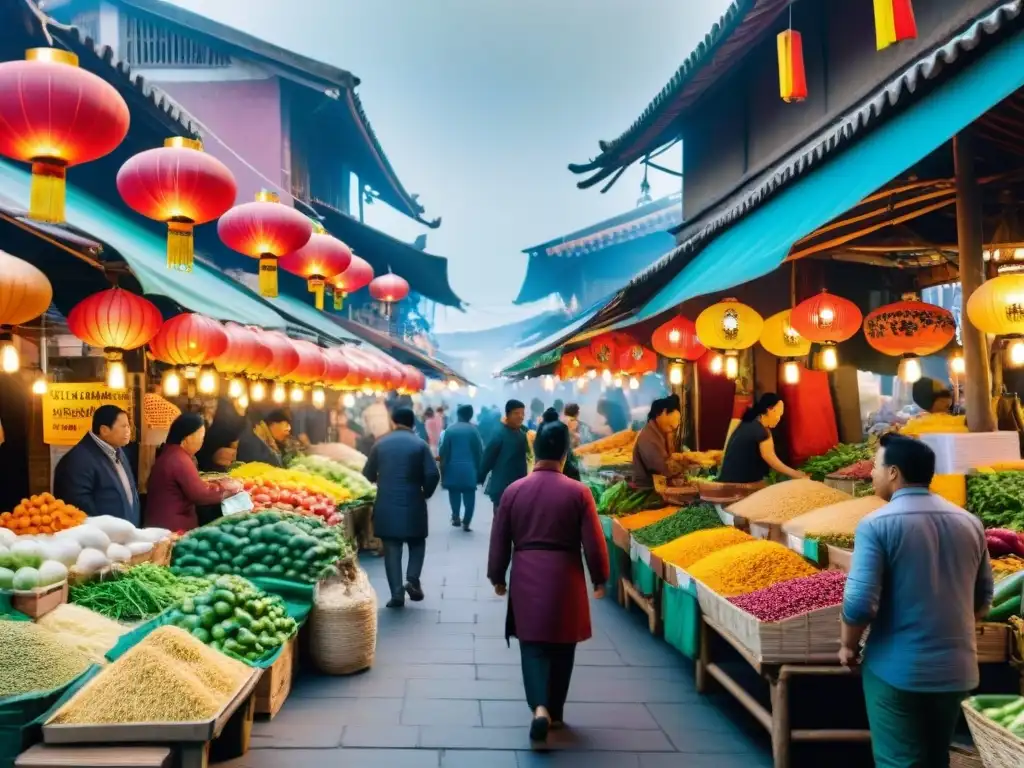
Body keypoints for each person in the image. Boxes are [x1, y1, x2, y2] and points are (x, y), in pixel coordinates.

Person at [841, 434, 993, 767]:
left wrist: (848, 647)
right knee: (936, 758)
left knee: (899, 760)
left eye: (877, 467)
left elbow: (859, 603)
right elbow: (983, 598)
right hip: (956, 671)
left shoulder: (875, 525)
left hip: (897, 670)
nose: (871, 474)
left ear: (894, 472)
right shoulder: (970, 523)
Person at [487, 414, 609, 744]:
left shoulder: (514, 491)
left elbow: (499, 539)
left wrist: (497, 575)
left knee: (533, 645)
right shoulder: (579, 492)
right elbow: (594, 542)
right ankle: (555, 710)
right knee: (562, 645)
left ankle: (539, 707)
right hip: (566, 576)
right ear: (565, 454)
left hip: (527, 573)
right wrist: (600, 577)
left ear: (535, 451)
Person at [363, 406, 440, 608]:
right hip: (414, 501)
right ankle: (412, 578)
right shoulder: (420, 444)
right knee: (417, 542)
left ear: (393, 421)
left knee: (392, 548)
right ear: (413, 423)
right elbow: (433, 474)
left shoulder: (380, 444)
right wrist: (425, 493)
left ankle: (397, 594)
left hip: (386, 504)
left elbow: (367, 475)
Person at [146, 413, 242, 531]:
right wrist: (230, 490)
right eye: (200, 436)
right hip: (171, 528)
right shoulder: (178, 459)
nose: (202, 441)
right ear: (187, 438)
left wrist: (215, 486)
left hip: (163, 524)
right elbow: (201, 495)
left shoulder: (171, 453)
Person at [54, 405, 140, 524]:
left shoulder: (119, 450)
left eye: (128, 425)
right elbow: (79, 509)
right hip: (102, 538)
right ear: (104, 430)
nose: (128, 430)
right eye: (123, 426)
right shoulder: (78, 460)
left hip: (125, 536)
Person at [717, 393, 805, 484]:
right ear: (769, 410)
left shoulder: (749, 423)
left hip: (728, 480)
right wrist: (796, 474)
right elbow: (771, 458)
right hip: (738, 485)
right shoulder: (759, 430)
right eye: (778, 414)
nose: (779, 419)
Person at [439, 404, 484, 530]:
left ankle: (456, 516)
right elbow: (479, 452)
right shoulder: (473, 430)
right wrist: (480, 470)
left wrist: (442, 468)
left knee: (454, 493)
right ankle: (467, 521)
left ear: (458, 415)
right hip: (470, 469)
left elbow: (444, 451)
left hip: (452, 467)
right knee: (470, 494)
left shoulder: (450, 430)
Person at [480, 399, 530, 508]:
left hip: (519, 488)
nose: (520, 416)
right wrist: (480, 476)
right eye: (516, 413)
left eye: (522, 414)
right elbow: (487, 459)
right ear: (508, 414)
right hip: (501, 488)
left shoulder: (523, 435)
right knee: (500, 521)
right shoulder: (499, 434)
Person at [631, 396, 681, 488]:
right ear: (662, 413)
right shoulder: (649, 437)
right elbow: (662, 468)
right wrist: (684, 465)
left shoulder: (661, 432)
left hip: (658, 487)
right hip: (648, 489)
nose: (673, 428)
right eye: (671, 427)